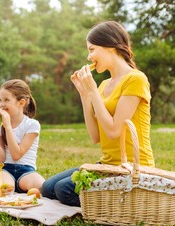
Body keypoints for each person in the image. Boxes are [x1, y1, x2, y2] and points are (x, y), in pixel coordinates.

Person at [41, 21, 155, 206]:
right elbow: (96, 136)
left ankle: (121, 202)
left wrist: (92, 91)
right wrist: (86, 96)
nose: (89, 56)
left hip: (131, 168)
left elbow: (113, 132)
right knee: (47, 188)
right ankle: (105, 197)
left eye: (92, 49)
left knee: (63, 190)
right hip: (107, 165)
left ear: (110, 47)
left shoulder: (136, 79)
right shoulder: (103, 85)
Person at [0, 79, 45, 193]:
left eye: (6, 100)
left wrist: (8, 127)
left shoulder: (32, 125)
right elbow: (0, 159)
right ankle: (10, 187)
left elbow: (16, 155)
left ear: (21, 103)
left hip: (26, 171)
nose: (1, 105)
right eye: (0, 100)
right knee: (5, 188)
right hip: (5, 169)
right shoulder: (0, 125)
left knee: (42, 187)